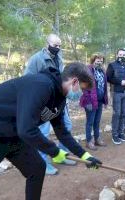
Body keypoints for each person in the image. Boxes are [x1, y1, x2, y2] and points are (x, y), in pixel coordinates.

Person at [0, 63, 102, 200]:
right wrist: (55, 151)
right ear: (75, 81)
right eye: (82, 89)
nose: (81, 94)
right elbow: (27, 130)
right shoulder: (41, 85)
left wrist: (84, 156)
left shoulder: (59, 98)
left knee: (36, 168)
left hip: (12, 133)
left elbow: (62, 132)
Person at [24, 34, 75, 175]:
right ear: (47, 44)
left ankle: (61, 157)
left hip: (58, 101)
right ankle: (43, 164)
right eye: (55, 45)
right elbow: (27, 79)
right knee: (43, 134)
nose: (57, 48)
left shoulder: (59, 58)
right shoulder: (36, 59)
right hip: (44, 103)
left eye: (59, 46)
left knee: (67, 126)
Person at [80, 53, 108, 150]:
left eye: (101, 61)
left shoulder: (102, 71)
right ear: (93, 60)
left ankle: (97, 139)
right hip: (90, 101)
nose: (99, 62)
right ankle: (88, 141)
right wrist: (87, 102)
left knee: (97, 121)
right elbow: (83, 86)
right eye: (97, 60)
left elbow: (104, 87)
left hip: (99, 100)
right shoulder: (87, 70)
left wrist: (106, 101)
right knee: (90, 122)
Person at [106, 48, 125, 145]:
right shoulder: (112, 65)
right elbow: (108, 78)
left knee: (123, 113)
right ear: (117, 55)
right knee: (117, 113)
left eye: (123, 54)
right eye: (120, 54)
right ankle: (115, 135)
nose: (122, 56)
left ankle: (121, 133)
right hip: (116, 92)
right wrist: (120, 82)